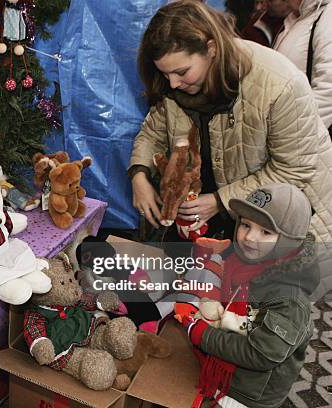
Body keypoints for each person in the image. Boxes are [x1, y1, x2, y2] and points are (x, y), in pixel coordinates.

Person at [129, 0, 332, 249]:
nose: (172, 84)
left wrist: (220, 200)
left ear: (211, 48)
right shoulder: (176, 86)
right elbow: (152, 132)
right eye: (164, 74)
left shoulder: (279, 83)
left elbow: (294, 170)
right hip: (223, 220)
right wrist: (139, 175)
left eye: (182, 72)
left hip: (279, 229)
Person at [179, 183, 318, 408]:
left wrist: (204, 336)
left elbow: (261, 354)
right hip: (221, 369)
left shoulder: (290, 299)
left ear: (288, 241)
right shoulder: (242, 262)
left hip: (248, 394)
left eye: (266, 231)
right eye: (245, 224)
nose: (250, 238)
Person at [273, 0, 332, 136]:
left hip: (305, 141)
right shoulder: (295, 18)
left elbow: (328, 89)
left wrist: (292, 136)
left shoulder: (327, 14)